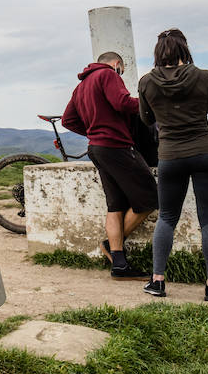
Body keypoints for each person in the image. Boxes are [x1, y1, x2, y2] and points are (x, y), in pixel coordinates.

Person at [138, 29, 208, 301]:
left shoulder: (146, 82)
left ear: (158, 53)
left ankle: (157, 282)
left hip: (170, 156)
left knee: (167, 217)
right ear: (184, 49)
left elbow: (145, 119)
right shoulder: (204, 77)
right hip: (206, 152)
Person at [61, 51, 156, 279]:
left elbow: (68, 120)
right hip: (117, 146)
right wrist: (150, 106)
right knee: (151, 199)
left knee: (116, 205)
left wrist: (94, 132)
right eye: (122, 69)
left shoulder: (81, 86)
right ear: (116, 64)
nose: (121, 74)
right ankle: (110, 244)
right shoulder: (109, 75)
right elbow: (122, 102)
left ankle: (119, 264)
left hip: (97, 148)